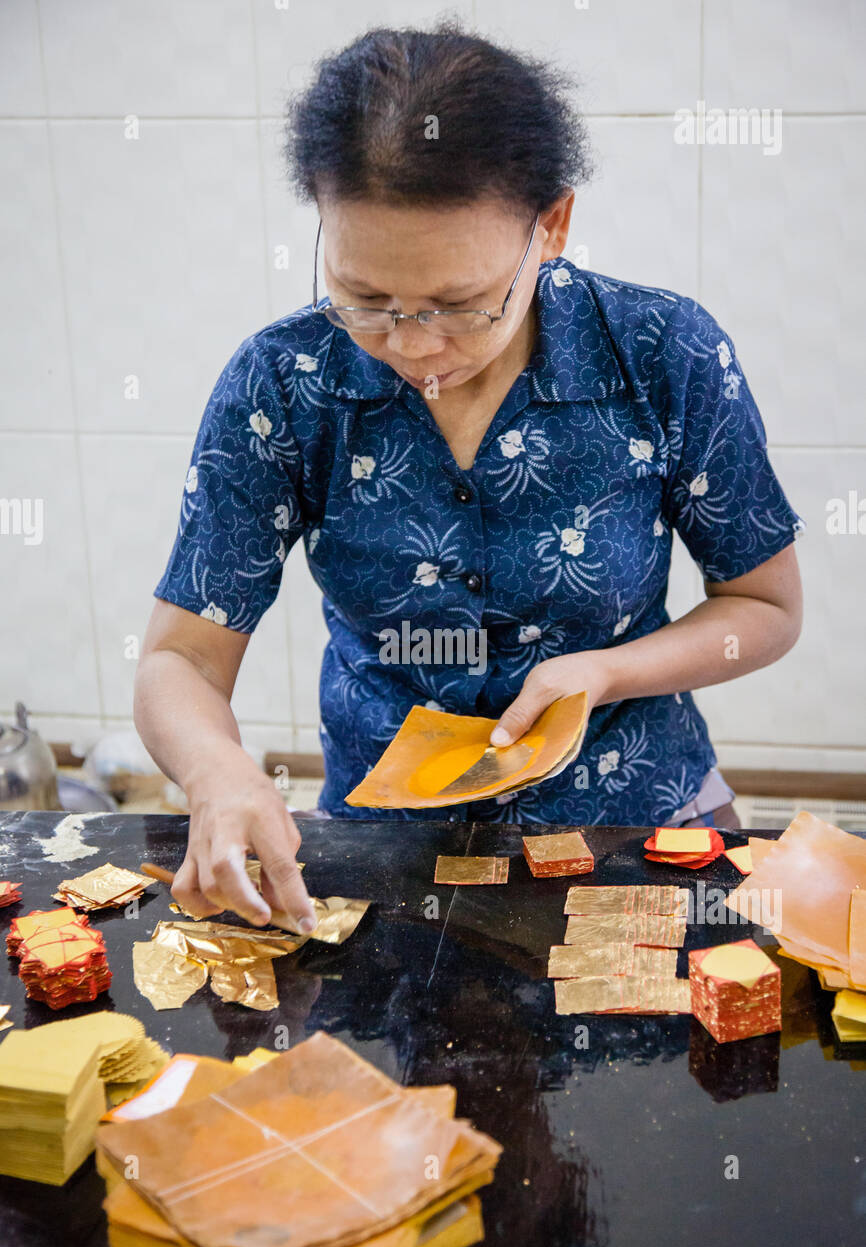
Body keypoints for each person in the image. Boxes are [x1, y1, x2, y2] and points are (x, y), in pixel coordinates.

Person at [134, 24, 803, 931]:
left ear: (552, 227)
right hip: (388, 847)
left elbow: (762, 609)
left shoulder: (661, 353)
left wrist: (607, 672)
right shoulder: (284, 382)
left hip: (636, 821)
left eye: (460, 305)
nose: (412, 344)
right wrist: (217, 775)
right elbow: (180, 659)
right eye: (365, 297)